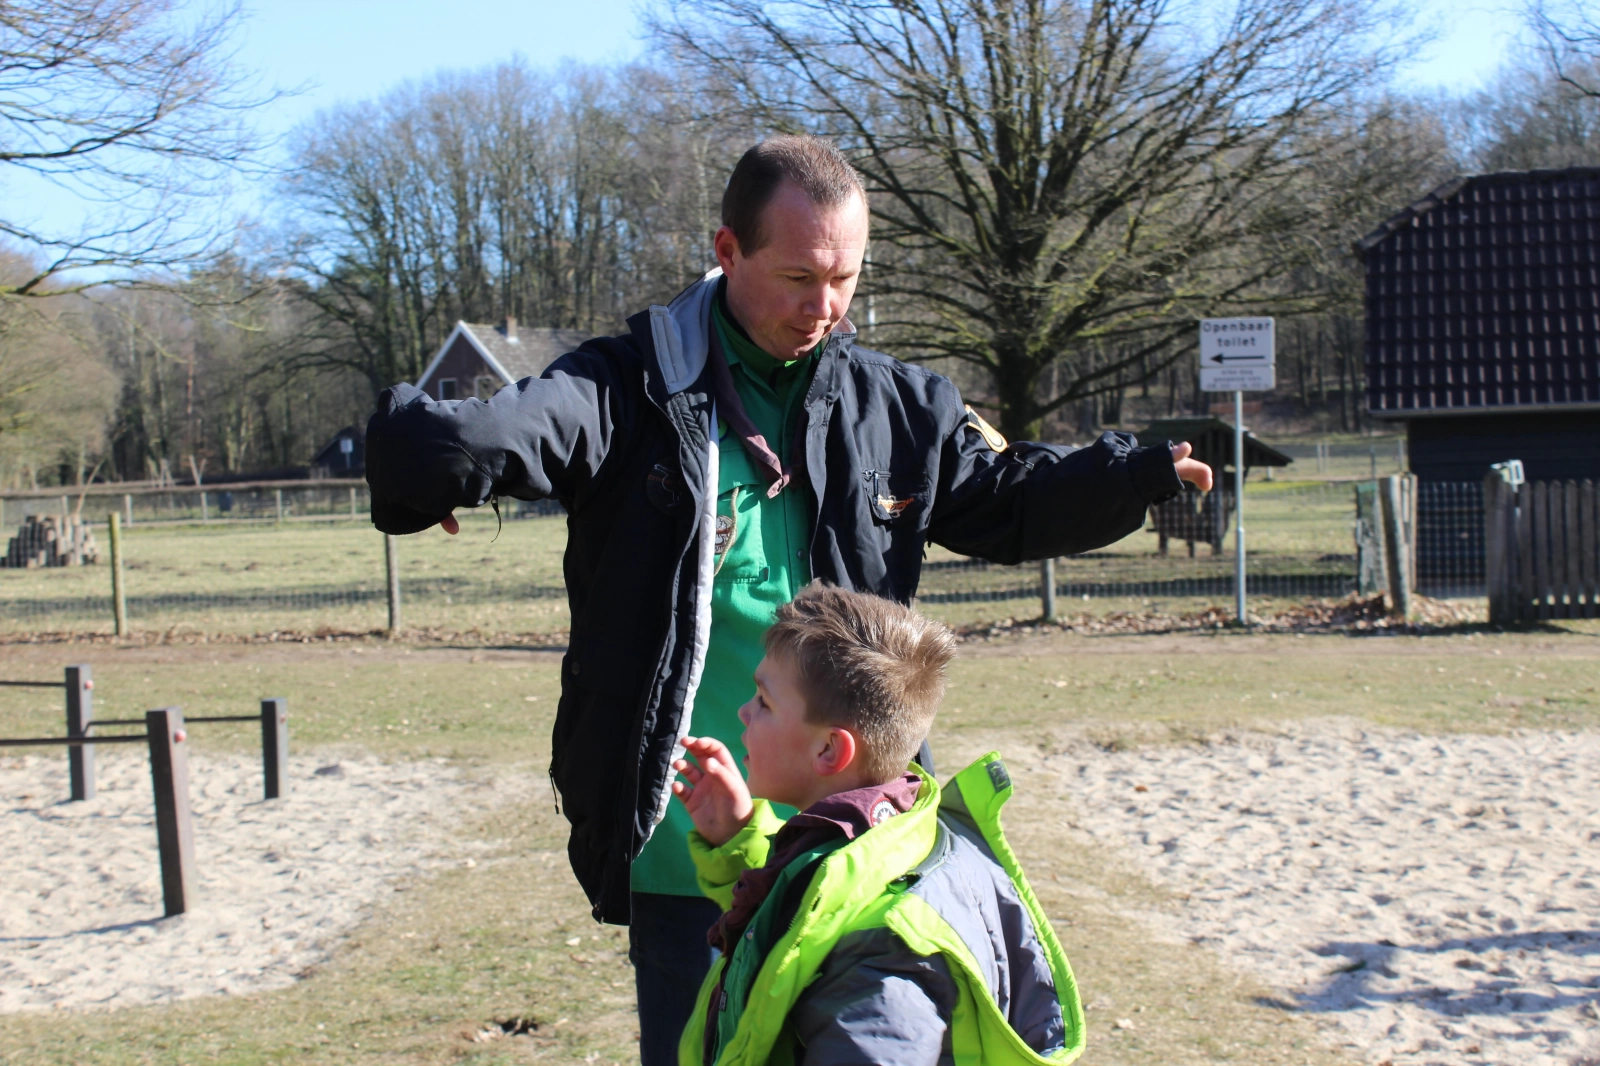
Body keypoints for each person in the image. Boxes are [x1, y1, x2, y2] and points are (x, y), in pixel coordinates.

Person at [363, 134, 1210, 1064]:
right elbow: (477, 438)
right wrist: (429, 477)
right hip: (690, 847)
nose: (825, 307)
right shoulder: (626, 388)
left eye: (845, 277)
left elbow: (1005, 503)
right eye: (799, 276)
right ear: (727, 252)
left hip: (855, 842)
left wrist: (1131, 474)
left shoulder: (898, 404)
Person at [671, 583, 1081, 1066]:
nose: (743, 711)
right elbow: (807, 918)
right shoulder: (891, 834)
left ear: (829, 750)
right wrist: (740, 838)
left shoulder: (886, 951)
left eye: (763, 701)